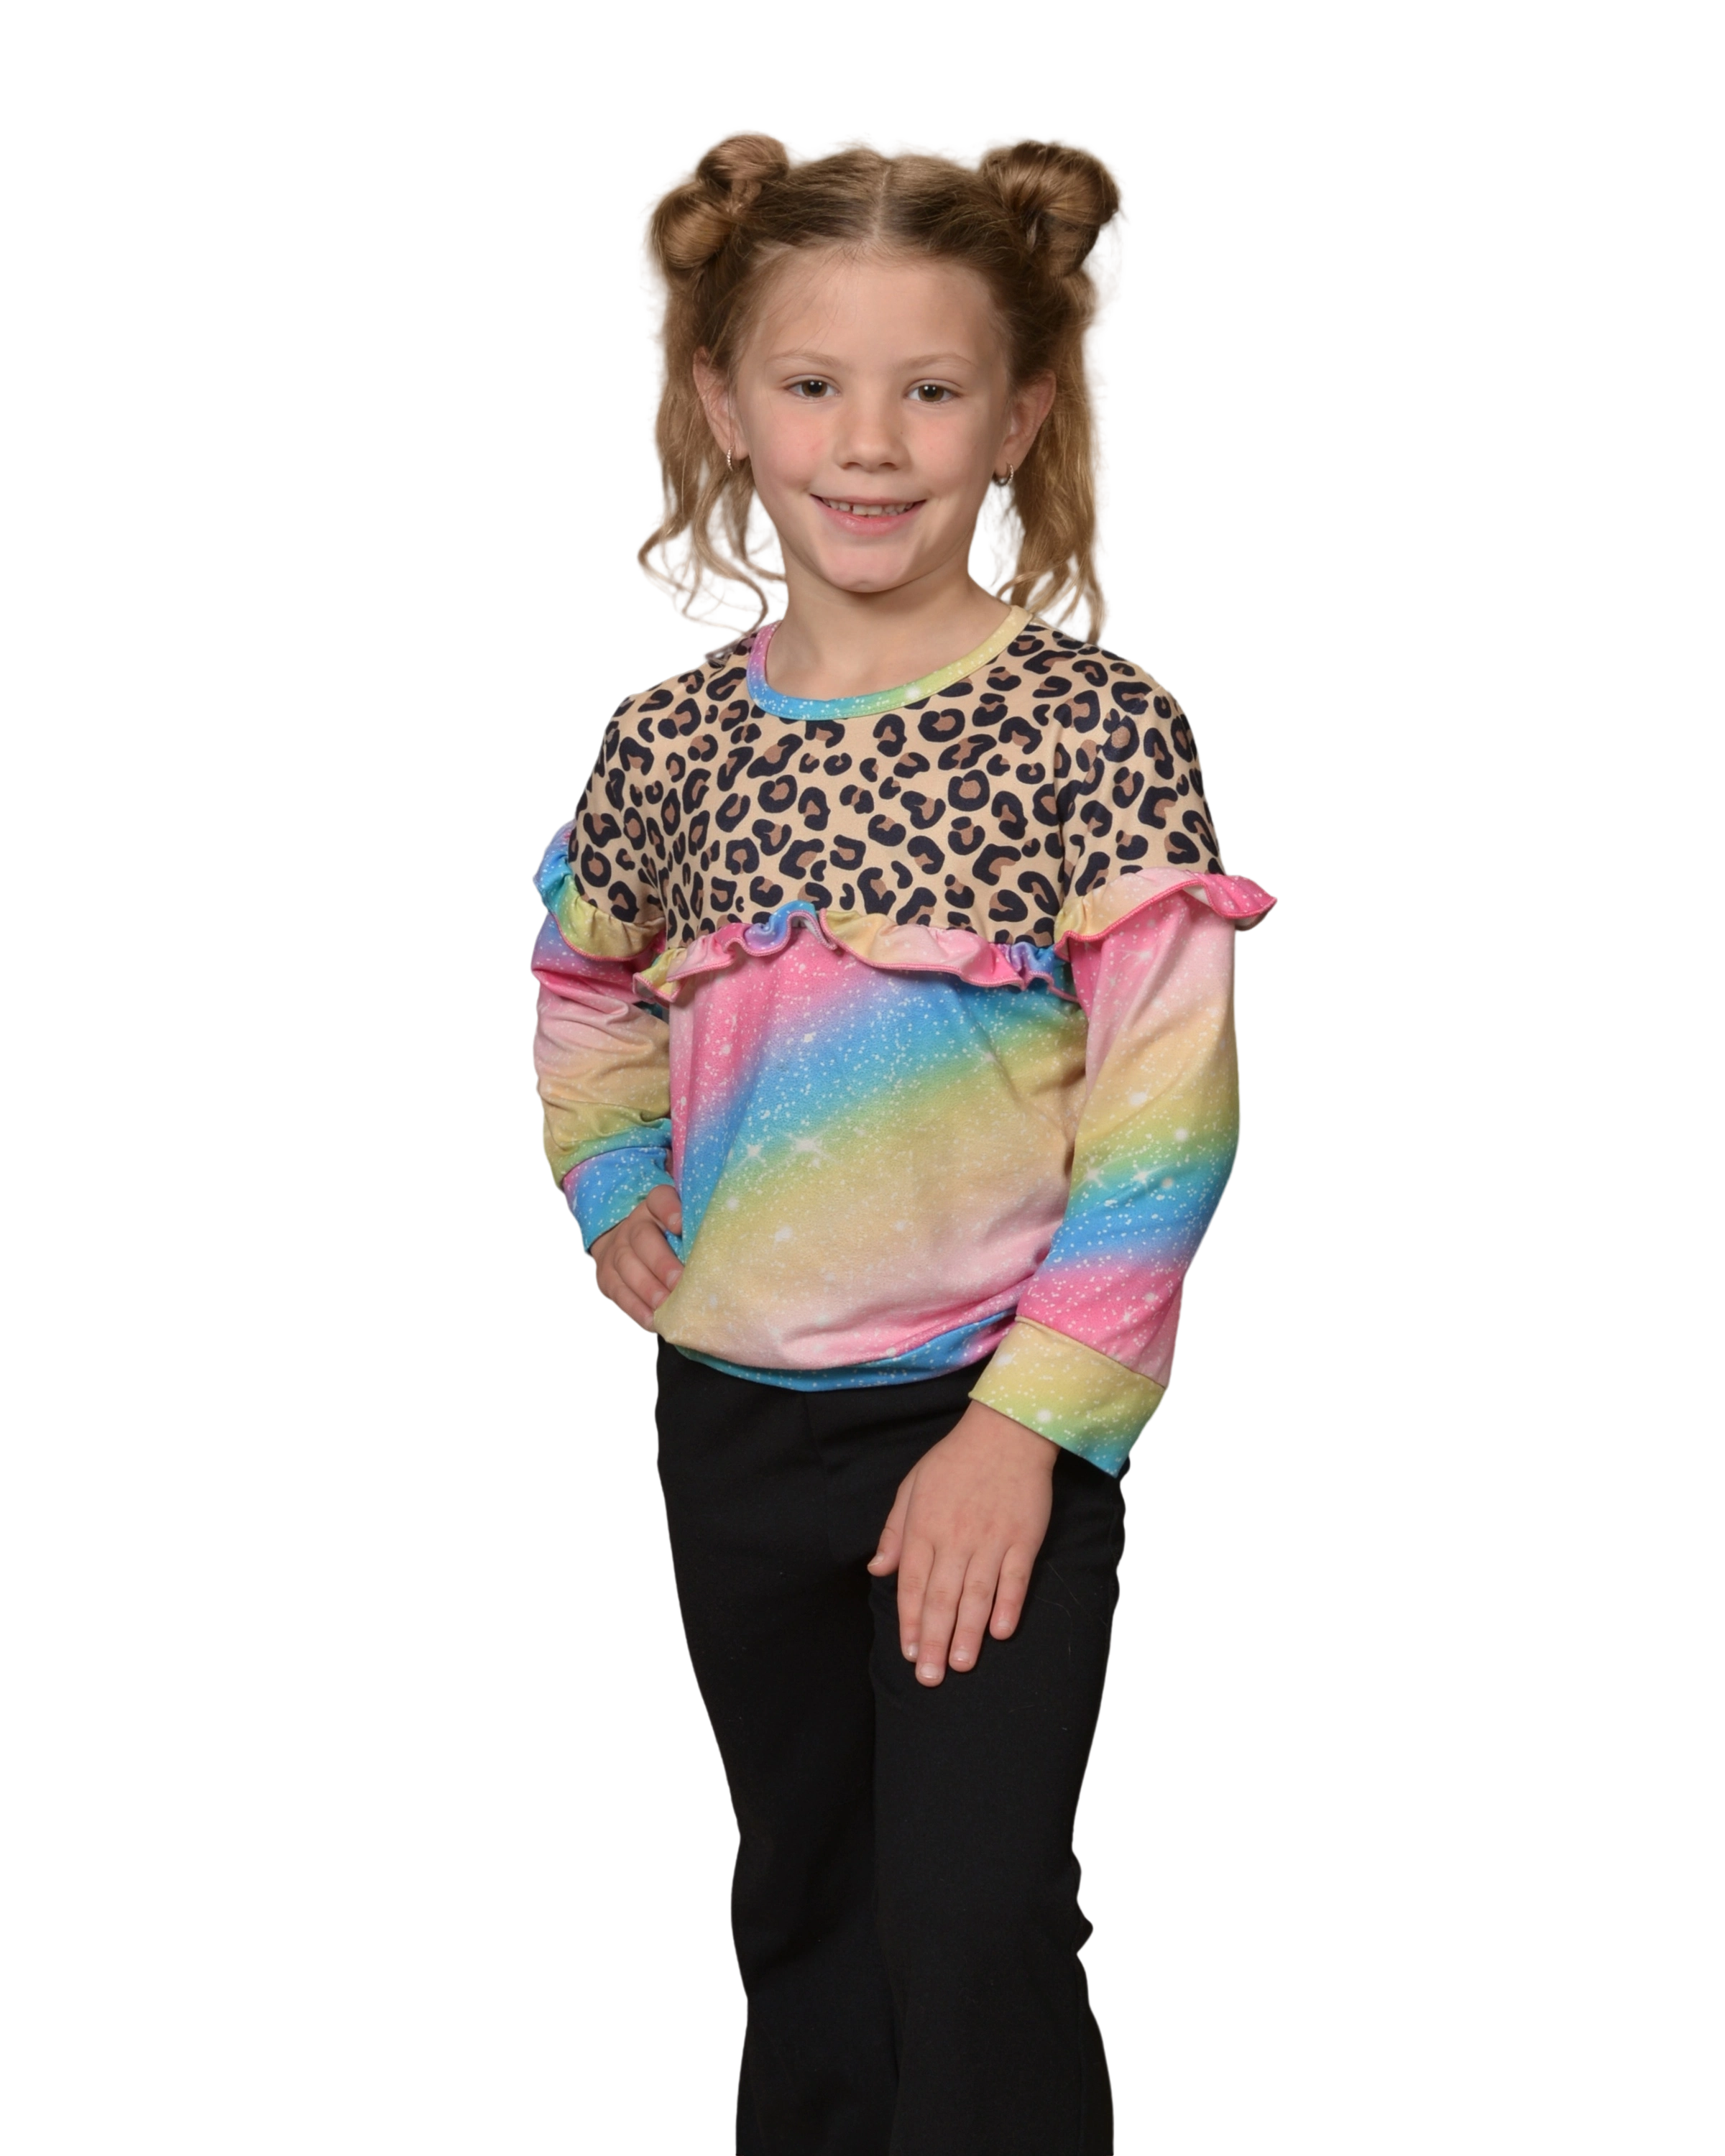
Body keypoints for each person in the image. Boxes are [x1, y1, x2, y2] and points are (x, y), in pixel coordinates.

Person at [528, 124, 1281, 2156]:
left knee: (973, 1919)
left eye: (931, 390)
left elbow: (1167, 1123)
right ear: (722, 404)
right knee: (805, 1906)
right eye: (813, 383)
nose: (869, 444)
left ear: (1019, 419)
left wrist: (1025, 1430)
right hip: (734, 1425)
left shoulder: (1093, 733)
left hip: (987, 1415)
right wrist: (612, 1183)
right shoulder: (670, 742)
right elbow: (583, 985)